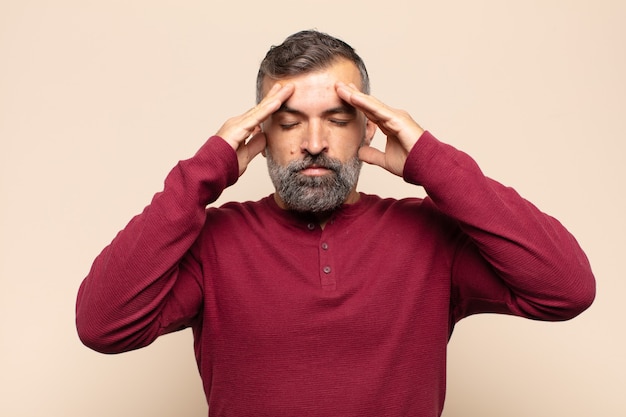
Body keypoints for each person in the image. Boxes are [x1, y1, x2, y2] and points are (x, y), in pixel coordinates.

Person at [76, 30, 596, 416]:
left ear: (368, 127)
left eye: (337, 118)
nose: (315, 142)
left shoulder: (430, 236)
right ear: (259, 137)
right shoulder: (215, 240)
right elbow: (103, 326)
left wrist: (432, 162)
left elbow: (566, 290)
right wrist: (203, 172)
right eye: (288, 121)